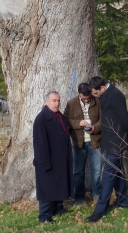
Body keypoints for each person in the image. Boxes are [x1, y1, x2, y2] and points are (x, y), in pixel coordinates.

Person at [86, 76, 128, 223]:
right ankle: (122, 200)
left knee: (108, 175)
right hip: (109, 139)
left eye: (95, 93)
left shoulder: (115, 95)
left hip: (116, 140)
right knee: (118, 171)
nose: (95, 96)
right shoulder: (105, 94)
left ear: (101, 87)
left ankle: (100, 210)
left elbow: (124, 116)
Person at [32, 90, 73, 223]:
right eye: (54, 101)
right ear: (47, 102)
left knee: (59, 184)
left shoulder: (59, 116)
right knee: (47, 188)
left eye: (58, 101)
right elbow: (39, 143)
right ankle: (44, 215)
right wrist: (44, 162)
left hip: (60, 158)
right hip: (47, 159)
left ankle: (57, 208)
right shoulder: (42, 119)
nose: (57, 103)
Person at [63, 82, 103, 206]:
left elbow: (104, 119)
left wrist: (94, 128)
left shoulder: (97, 102)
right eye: (83, 98)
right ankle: (79, 198)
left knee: (96, 170)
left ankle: (96, 194)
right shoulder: (71, 103)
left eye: (88, 98)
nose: (86, 100)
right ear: (79, 94)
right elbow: (65, 120)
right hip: (78, 143)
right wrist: (78, 123)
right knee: (78, 171)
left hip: (95, 141)